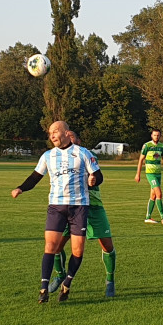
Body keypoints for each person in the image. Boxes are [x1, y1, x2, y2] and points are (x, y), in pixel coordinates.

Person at [11, 121, 103, 303]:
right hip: (56, 207)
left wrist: (93, 180)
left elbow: (98, 176)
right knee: (50, 247)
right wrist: (21, 188)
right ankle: (43, 289)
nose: (52, 135)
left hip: (78, 207)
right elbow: (35, 177)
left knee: (77, 251)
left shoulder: (82, 153)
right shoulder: (47, 156)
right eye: (50, 133)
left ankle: (67, 283)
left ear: (66, 133)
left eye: (55, 131)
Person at [50, 130, 118, 297]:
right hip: (69, 207)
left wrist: (93, 179)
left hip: (93, 206)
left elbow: (98, 176)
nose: (70, 141)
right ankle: (60, 275)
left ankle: (110, 280)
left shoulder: (87, 154)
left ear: (78, 140)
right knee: (56, 245)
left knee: (107, 245)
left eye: (72, 138)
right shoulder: (57, 157)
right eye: (67, 138)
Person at [135, 128, 163, 224]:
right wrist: (138, 174)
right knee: (159, 193)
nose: (156, 137)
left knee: (153, 196)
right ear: (151, 136)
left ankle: (148, 217)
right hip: (150, 174)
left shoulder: (161, 146)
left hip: (158, 174)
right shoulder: (147, 146)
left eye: (158, 135)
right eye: (154, 135)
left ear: (160, 136)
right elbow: (140, 160)